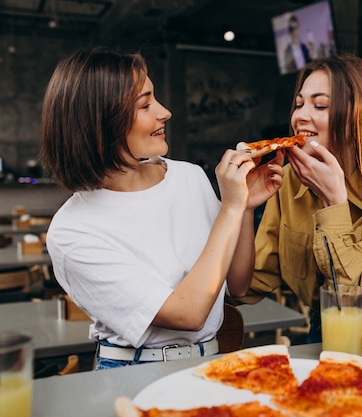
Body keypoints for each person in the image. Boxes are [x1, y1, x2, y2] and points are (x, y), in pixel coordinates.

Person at [39, 47, 284, 369]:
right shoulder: (73, 231)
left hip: (210, 362)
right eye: (145, 105)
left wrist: (244, 207)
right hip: (133, 371)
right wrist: (229, 207)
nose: (165, 111)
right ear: (101, 124)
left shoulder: (188, 176)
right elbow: (188, 313)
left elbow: (237, 285)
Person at [236, 53, 362, 343]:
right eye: (299, 104)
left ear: (360, 115)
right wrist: (241, 206)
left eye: (320, 105)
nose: (300, 116)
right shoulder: (290, 178)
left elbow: (350, 295)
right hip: (320, 328)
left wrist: (333, 201)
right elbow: (248, 286)